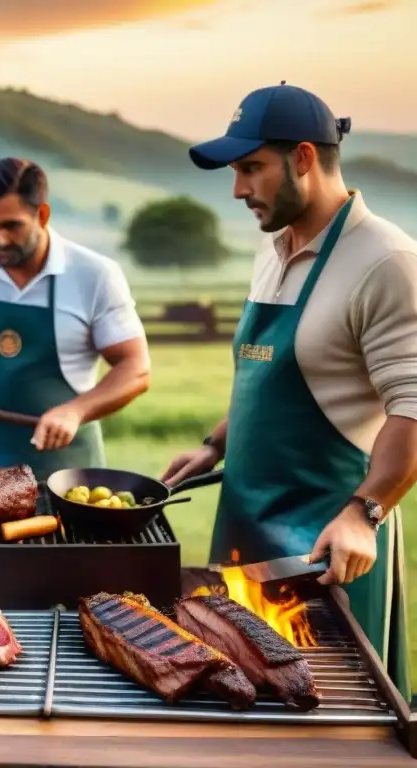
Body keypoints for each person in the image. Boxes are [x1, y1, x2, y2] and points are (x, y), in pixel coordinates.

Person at [162, 82, 416, 696]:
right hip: (244, 528)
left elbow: (411, 408)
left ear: (304, 157)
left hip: (324, 551)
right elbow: (267, 374)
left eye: (252, 168)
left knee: (328, 725)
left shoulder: (386, 262)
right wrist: (215, 443)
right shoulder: (273, 251)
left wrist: (367, 512)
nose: (238, 188)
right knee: (240, 709)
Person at [0, 157, 150, 477]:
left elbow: (136, 369)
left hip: (62, 471)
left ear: (42, 214)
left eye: (11, 226)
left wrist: (75, 411)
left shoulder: (94, 275)